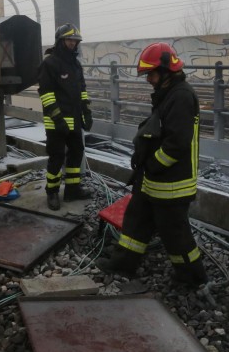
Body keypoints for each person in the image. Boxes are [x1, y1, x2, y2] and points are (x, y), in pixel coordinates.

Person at [96, 42, 208, 288]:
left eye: (151, 74)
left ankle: (192, 277)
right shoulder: (169, 93)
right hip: (154, 180)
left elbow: (177, 143)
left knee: (175, 234)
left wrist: (152, 164)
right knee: (137, 220)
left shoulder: (181, 97)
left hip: (172, 183)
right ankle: (123, 263)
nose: (148, 80)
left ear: (166, 70)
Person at [36, 23, 93, 210]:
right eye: (69, 40)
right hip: (56, 123)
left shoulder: (75, 65)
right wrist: (57, 118)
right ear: (61, 41)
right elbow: (46, 94)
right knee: (57, 157)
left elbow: (82, 90)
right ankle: (51, 192)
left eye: (75, 41)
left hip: (74, 121)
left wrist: (86, 112)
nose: (73, 43)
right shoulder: (50, 63)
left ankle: (72, 190)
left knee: (76, 153)